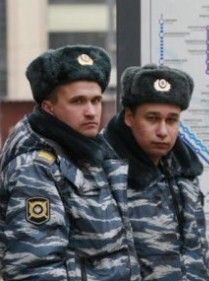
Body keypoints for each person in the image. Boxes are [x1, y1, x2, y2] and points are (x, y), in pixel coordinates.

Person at [0, 45, 141, 281]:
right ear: (49, 108)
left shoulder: (88, 153)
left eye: (96, 101)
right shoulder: (36, 167)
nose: (91, 111)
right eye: (78, 101)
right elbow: (35, 269)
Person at [103, 64, 209, 280]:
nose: (163, 131)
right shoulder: (102, 173)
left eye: (171, 120)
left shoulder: (185, 175)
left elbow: (199, 256)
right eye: (152, 118)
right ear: (129, 117)